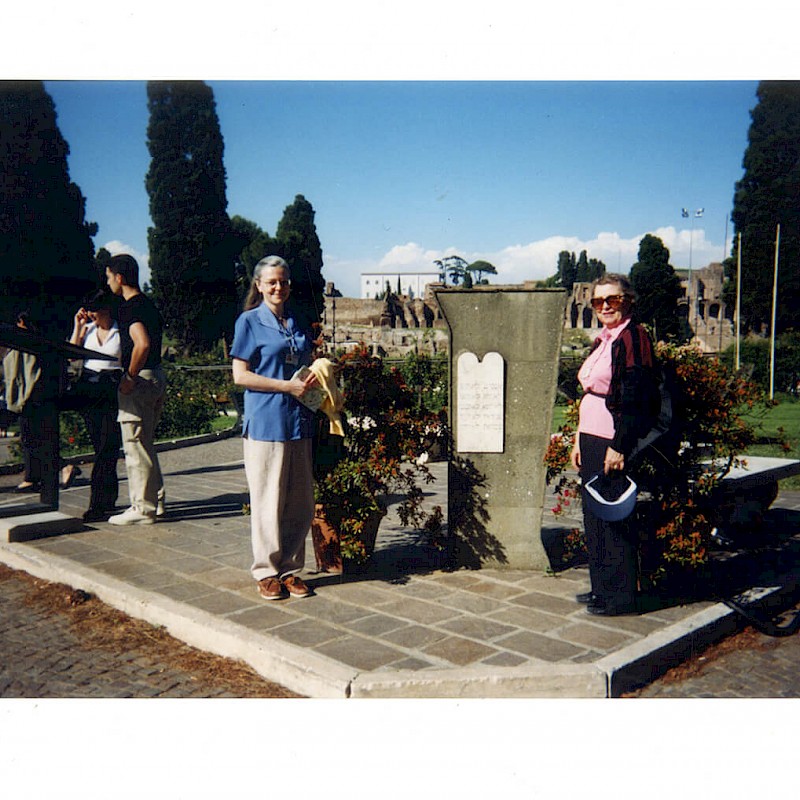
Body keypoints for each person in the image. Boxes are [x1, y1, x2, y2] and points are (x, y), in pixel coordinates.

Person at [230, 255, 319, 601]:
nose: (278, 287)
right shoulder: (249, 322)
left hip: (299, 421)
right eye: (271, 282)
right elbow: (240, 375)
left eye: (282, 281)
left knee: (299, 502)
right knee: (268, 500)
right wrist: (286, 387)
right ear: (259, 286)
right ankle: (267, 572)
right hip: (267, 422)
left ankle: (291, 569)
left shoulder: (295, 322)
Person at [570, 274, 659, 616]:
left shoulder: (633, 336)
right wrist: (579, 438)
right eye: (598, 301)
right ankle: (600, 588)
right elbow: (589, 393)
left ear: (627, 301)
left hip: (613, 438)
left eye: (613, 300)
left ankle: (620, 596)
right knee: (594, 515)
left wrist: (619, 445)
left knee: (614, 515)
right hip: (591, 436)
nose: (605, 306)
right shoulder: (603, 340)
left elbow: (636, 393)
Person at [105, 254, 166, 525]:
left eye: (109, 278)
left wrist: (129, 376)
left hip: (139, 380)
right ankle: (157, 501)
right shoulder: (150, 305)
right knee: (146, 444)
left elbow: (141, 344)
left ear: (119, 277)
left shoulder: (130, 308)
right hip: (155, 376)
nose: (108, 284)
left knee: (135, 445)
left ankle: (143, 509)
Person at [62, 288, 124, 522]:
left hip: (110, 389)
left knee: (107, 446)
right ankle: (105, 498)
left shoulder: (120, 332)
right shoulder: (87, 330)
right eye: (89, 310)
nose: (91, 315)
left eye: (94, 311)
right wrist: (78, 326)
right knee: (100, 446)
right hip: (89, 388)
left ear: (106, 310)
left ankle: (99, 502)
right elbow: (71, 354)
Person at [2, 311, 47, 493]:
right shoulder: (35, 342)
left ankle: (34, 477)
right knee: (33, 437)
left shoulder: (26, 343)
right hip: (31, 396)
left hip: (29, 397)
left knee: (31, 438)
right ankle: (33, 476)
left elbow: (23, 374)